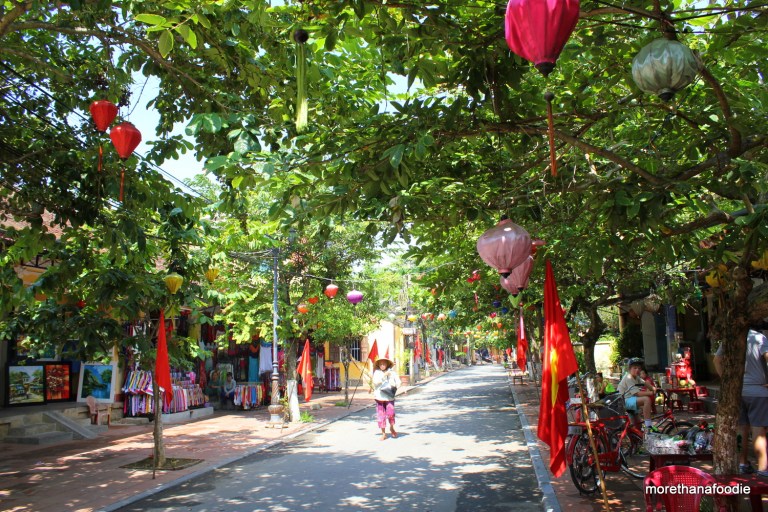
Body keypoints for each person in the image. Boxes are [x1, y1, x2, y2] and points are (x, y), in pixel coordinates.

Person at [714, 328, 768, 476]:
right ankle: (763, 468)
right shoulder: (759, 338)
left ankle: (743, 463)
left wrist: (726, 381)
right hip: (758, 392)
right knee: (758, 429)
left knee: (741, 428)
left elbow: (717, 360)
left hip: (738, 391)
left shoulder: (731, 336)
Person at [617, 358, 656, 431]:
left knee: (638, 426)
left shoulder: (636, 377)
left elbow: (645, 383)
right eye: (634, 368)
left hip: (630, 400)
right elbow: (637, 394)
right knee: (646, 399)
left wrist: (653, 388)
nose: (637, 370)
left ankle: (638, 439)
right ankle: (648, 425)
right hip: (624, 401)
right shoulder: (628, 377)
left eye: (639, 368)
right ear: (629, 369)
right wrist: (651, 393)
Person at [372, 357, 399, 440]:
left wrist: (396, 387)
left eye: (384, 364)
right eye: (381, 364)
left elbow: (398, 382)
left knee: (391, 413)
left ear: (387, 364)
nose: (382, 365)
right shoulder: (377, 373)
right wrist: (384, 375)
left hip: (389, 397)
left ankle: (391, 427)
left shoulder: (392, 373)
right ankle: (383, 433)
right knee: (381, 415)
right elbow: (375, 382)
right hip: (379, 397)